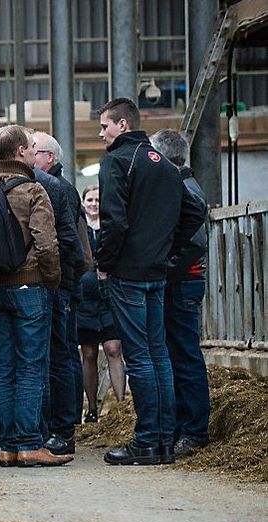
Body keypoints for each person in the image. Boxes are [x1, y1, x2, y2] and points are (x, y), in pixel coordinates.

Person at [95, 98, 205, 466]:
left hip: (128, 272)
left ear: (122, 125)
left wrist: (104, 263)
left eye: (105, 125)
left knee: (139, 356)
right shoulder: (161, 163)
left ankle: (146, 440)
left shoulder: (117, 162)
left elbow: (114, 221)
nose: (101, 133)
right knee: (158, 355)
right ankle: (162, 440)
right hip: (157, 273)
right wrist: (166, 248)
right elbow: (195, 211)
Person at [0, 125, 70, 467]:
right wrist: (51, 281)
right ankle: (29, 443)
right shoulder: (33, 190)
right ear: (19, 153)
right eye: (31, 147)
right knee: (31, 368)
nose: (34, 151)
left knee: (1, 368)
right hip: (29, 287)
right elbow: (46, 244)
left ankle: (4, 444)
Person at [150, 128, 212, 458]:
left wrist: (165, 270)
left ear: (162, 157)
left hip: (182, 283)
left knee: (185, 357)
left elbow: (196, 242)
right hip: (180, 282)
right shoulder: (182, 186)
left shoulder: (186, 190)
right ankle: (183, 427)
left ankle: (194, 431)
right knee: (178, 356)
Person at [33, 131, 89, 455]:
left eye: (35, 152)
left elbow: (70, 242)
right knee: (60, 355)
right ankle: (59, 424)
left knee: (62, 355)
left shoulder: (60, 189)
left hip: (63, 284)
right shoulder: (52, 187)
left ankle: (63, 429)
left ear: (49, 157)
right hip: (62, 282)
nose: (30, 158)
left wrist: (61, 280)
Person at [76, 184, 127, 420]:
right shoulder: (79, 228)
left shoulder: (109, 226)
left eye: (97, 200)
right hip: (85, 300)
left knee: (113, 348)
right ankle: (92, 409)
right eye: (90, 200)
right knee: (88, 353)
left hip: (108, 298)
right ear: (84, 203)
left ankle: (119, 406)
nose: (94, 204)